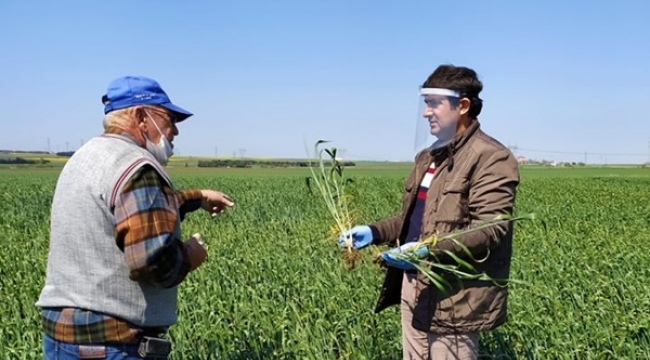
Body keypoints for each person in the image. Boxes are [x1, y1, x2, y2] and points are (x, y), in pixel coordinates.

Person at [36, 76, 235, 359]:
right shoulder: (136, 166)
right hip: (113, 346)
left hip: (61, 341)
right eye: (170, 118)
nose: (175, 130)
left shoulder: (84, 158)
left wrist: (197, 197)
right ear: (142, 117)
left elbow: (131, 216)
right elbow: (153, 263)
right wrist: (190, 256)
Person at [340, 64, 520, 360]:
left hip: (454, 293)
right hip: (414, 284)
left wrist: (427, 250)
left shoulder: (491, 157)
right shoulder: (428, 157)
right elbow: (413, 221)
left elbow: (490, 228)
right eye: (425, 103)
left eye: (434, 103)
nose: (426, 113)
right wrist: (374, 232)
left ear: (462, 105)